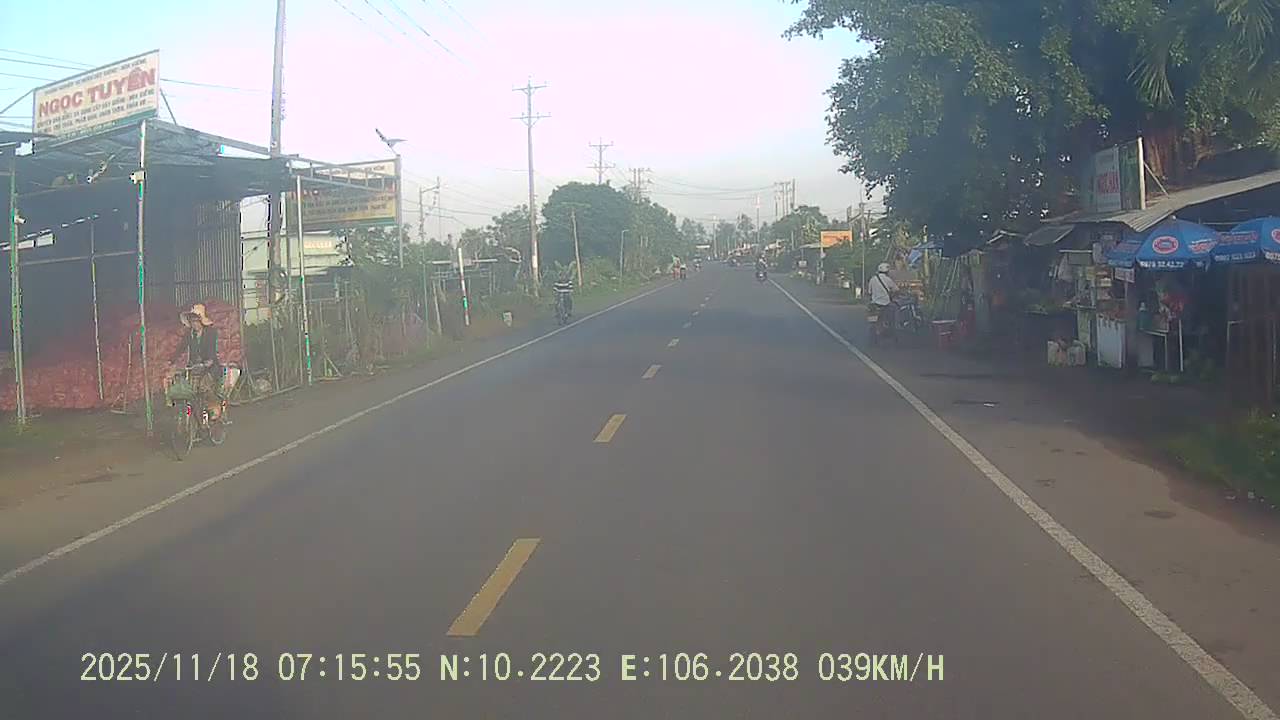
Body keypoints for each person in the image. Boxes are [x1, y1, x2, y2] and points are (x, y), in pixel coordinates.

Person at [169, 303, 224, 422]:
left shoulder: (211, 333)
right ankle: (194, 416)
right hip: (194, 367)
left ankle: (213, 409)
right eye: (192, 321)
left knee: (205, 387)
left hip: (210, 367)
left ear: (201, 321)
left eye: (196, 321)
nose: (194, 324)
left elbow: (212, 351)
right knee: (189, 390)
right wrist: (172, 360)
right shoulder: (190, 334)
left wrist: (208, 362)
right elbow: (181, 347)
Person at [868, 262, 899, 331]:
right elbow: (896, 289)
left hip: (874, 303)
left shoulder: (872, 279)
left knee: (872, 318)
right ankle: (891, 327)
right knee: (895, 309)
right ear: (887, 271)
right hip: (886, 303)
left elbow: (869, 292)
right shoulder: (888, 279)